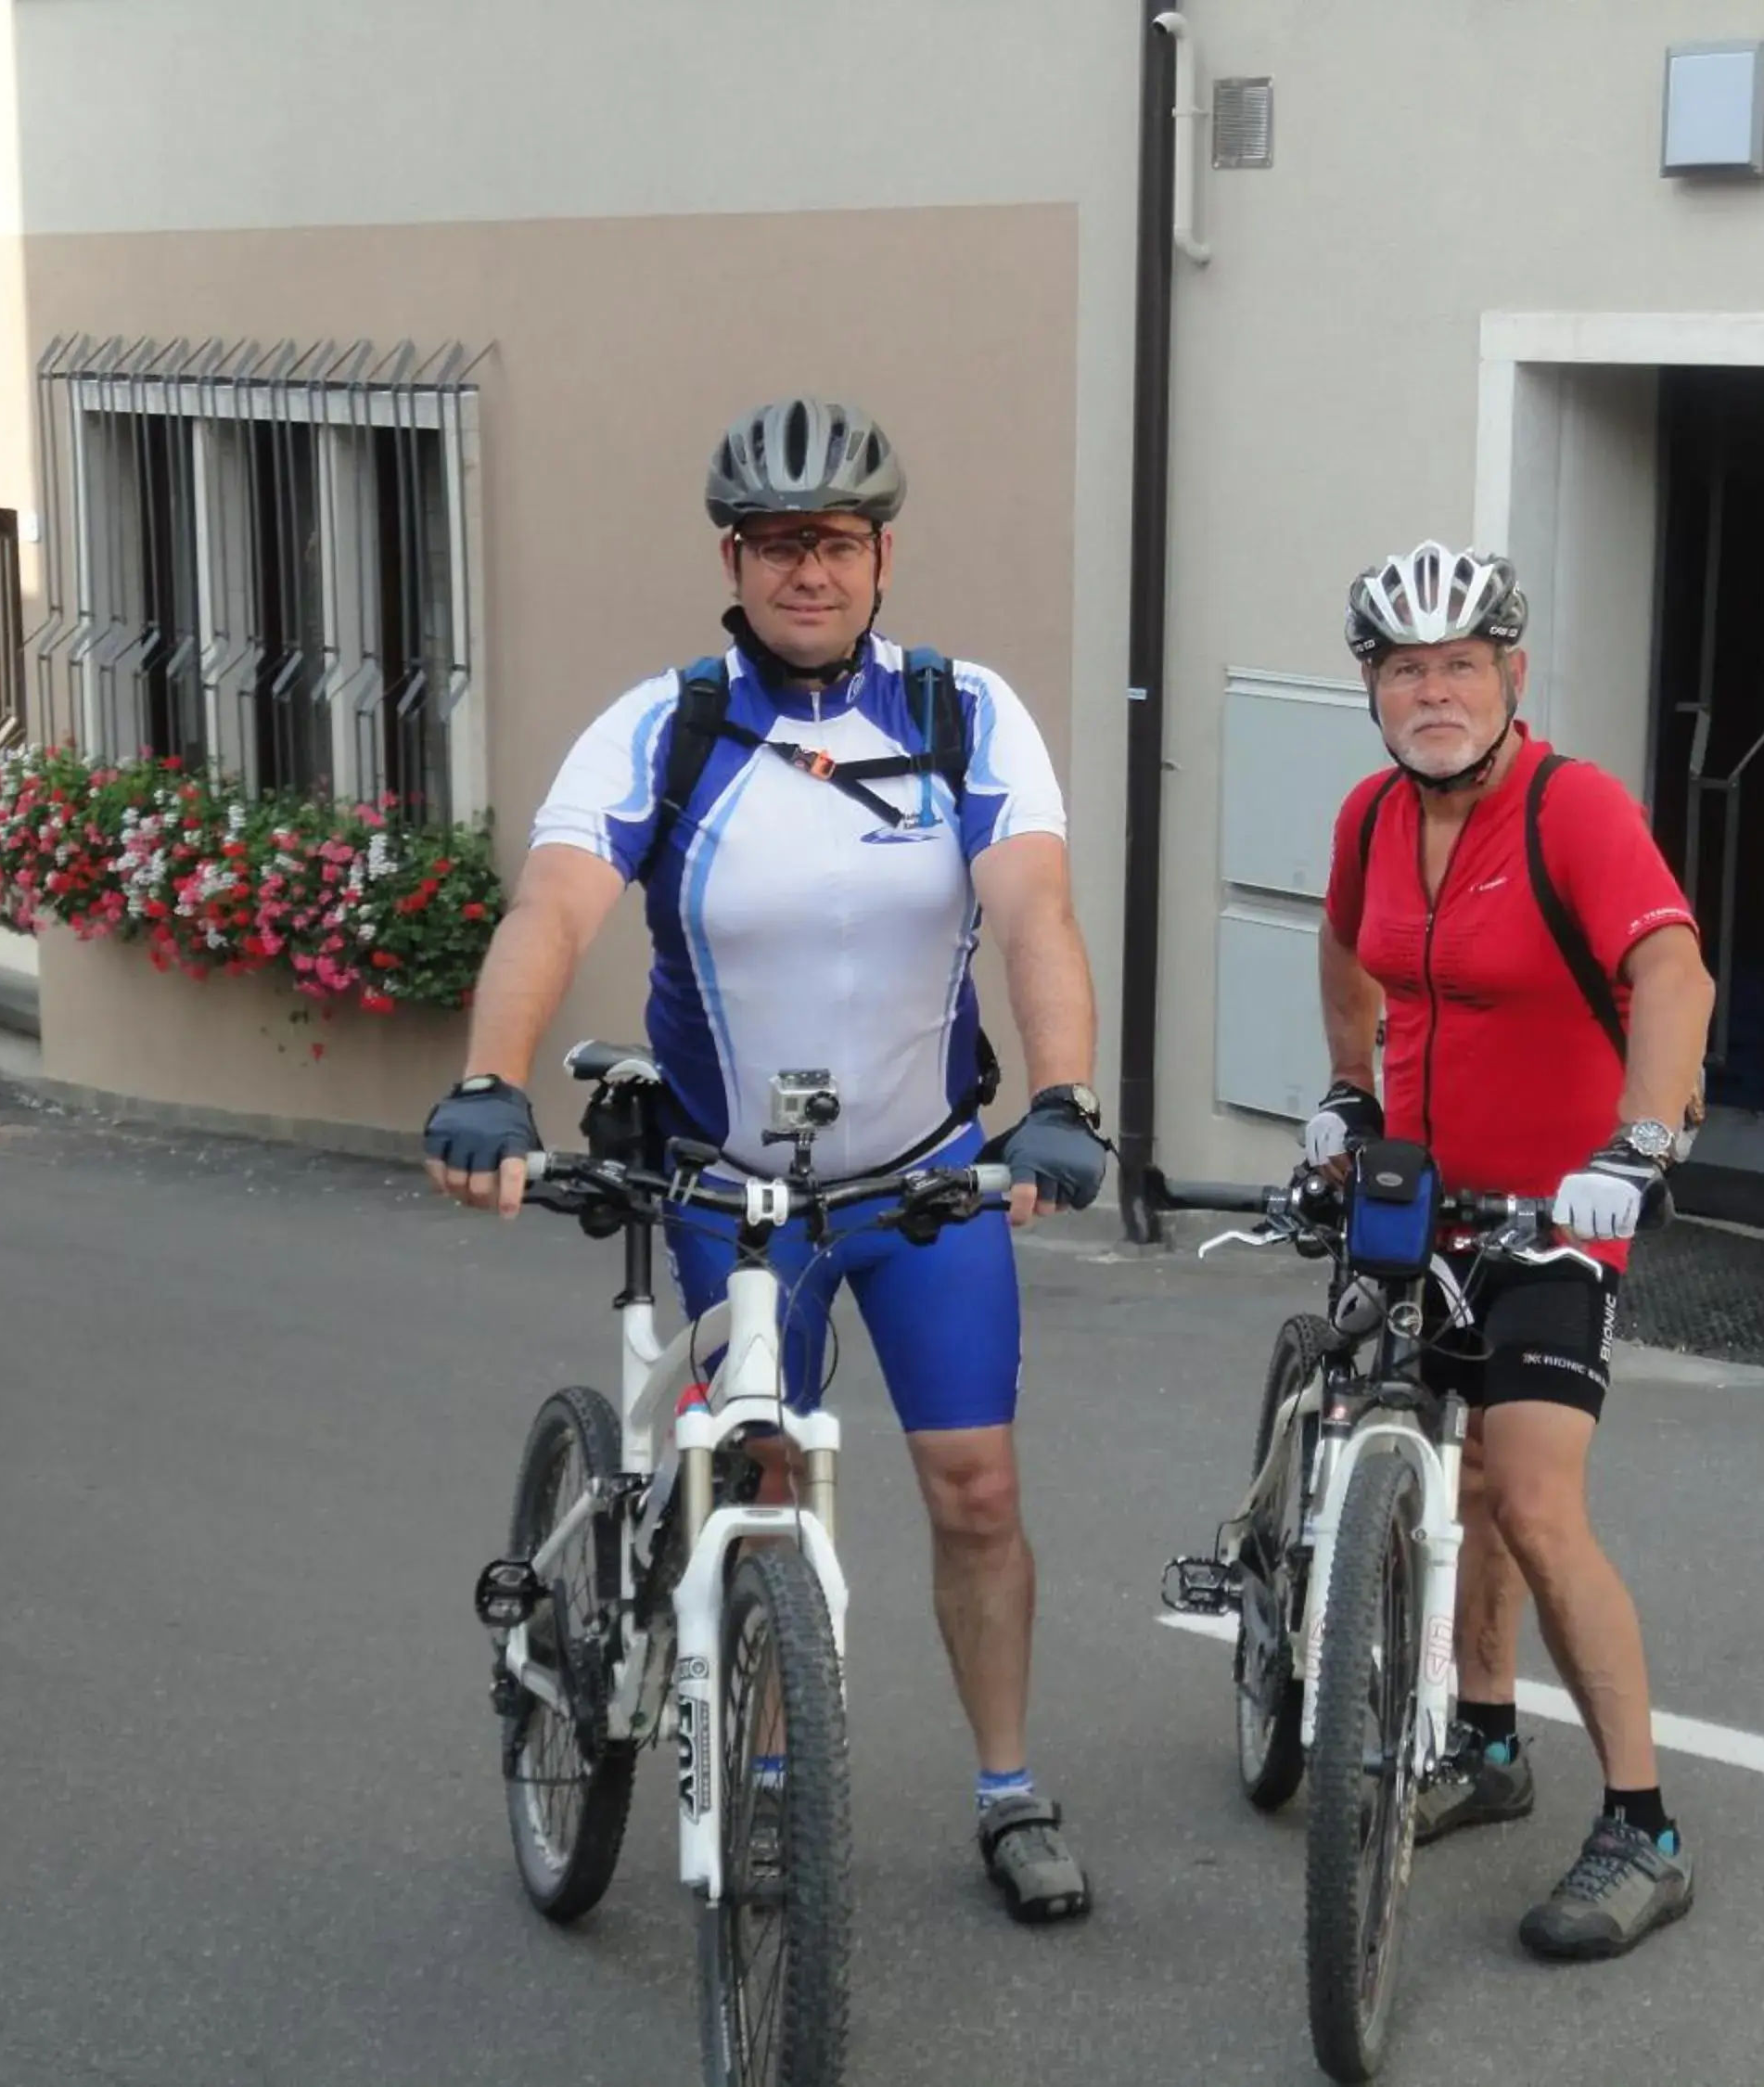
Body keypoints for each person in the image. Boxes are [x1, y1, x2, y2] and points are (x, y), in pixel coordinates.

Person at [423, 398, 1106, 1923]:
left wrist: (1061, 1095)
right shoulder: (665, 727)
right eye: (782, 543)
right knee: (765, 1477)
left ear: (882, 556)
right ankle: (777, 1769)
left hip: (921, 1180)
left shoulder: (960, 713)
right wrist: (487, 1075)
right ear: (733, 557)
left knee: (977, 1488)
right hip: (738, 1192)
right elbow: (552, 909)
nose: (812, 571)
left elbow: (1036, 909)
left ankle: (1008, 1788)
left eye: (840, 542)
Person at [1305, 543, 1716, 1960]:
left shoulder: (1575, 808)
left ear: (1511, 676)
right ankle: (1484, 1743)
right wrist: (1349, 1090)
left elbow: (1673, 968)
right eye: (1405, 668)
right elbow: (1349, 947)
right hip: (1422, 1199)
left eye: (1459, 665)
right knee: (1448, 1473)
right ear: (1373, 687)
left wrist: (1642, 1143)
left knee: (1533, 1496)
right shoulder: (1370, 817)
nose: (1433, 690)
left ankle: (1643, 1827)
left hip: (1561, 1211)